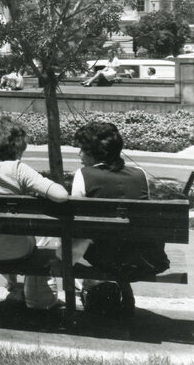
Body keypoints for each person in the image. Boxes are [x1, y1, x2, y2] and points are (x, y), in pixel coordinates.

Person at [0, 117, 68, 310]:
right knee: (37, 239)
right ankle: (31, 291)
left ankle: (13, 285)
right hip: (16, 250)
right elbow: (61, 195)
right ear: (16, 147)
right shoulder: (17, 169)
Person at [72, 121, 170, 315]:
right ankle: (122, 289)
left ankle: (86, 292)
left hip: (102, 257)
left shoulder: (83, 175)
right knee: (120, 240)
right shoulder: (140, 174)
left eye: (82, 149)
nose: (79, 154)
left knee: (76, 242)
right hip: (137, 257)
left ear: (95, 152)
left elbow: (78, 225)